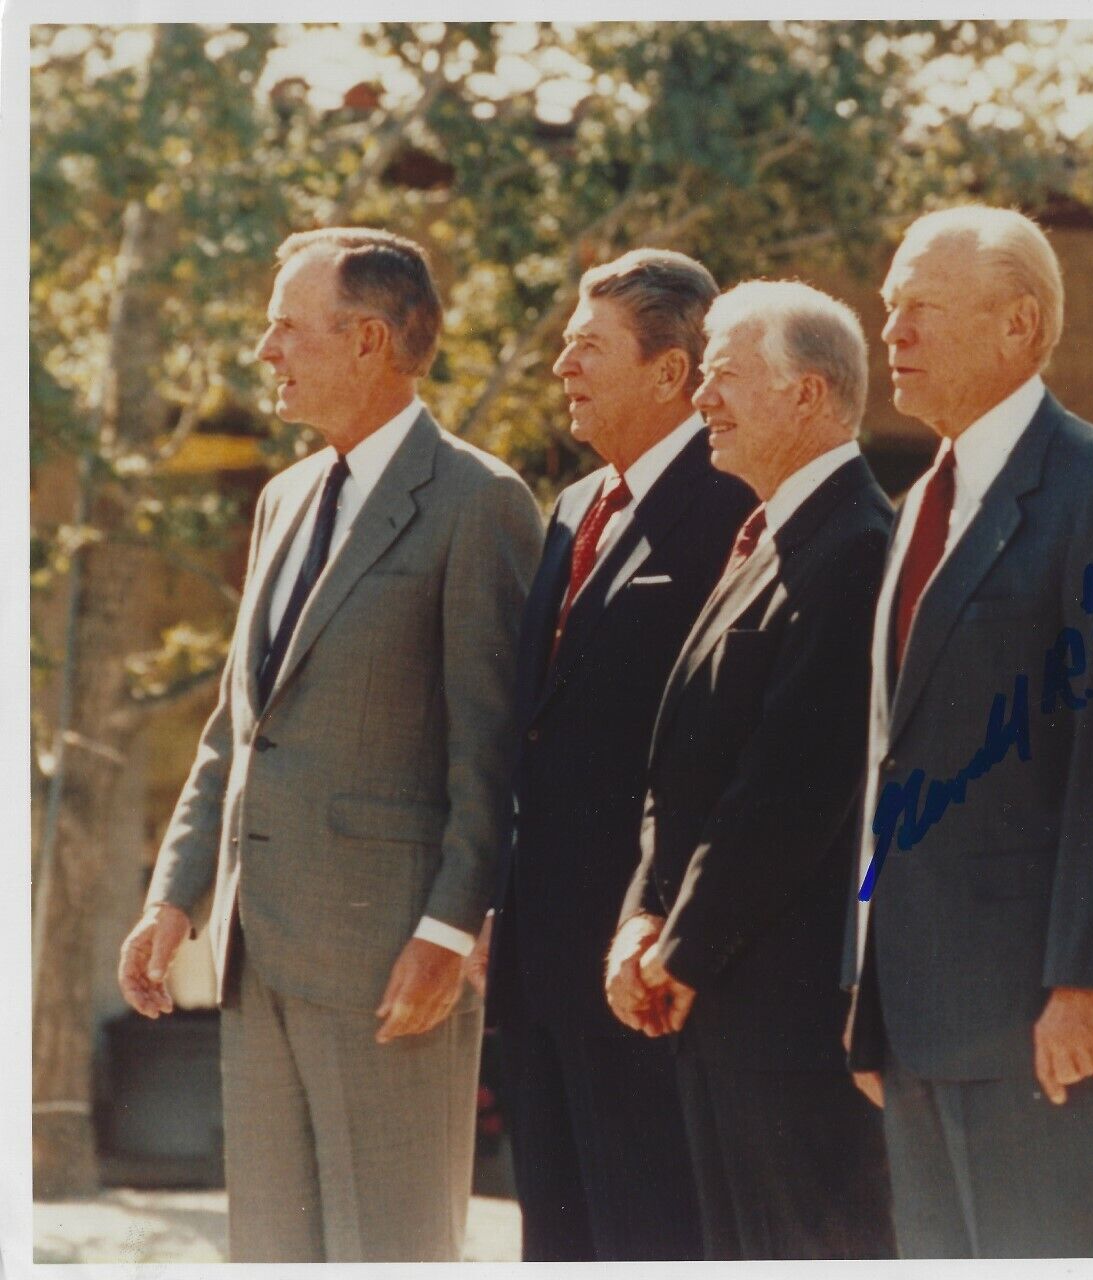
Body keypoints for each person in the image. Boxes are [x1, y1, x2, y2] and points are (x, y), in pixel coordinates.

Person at [115, 228, 543, 1263]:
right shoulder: (284, 497)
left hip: (390, 955)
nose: (266, 349)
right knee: (274, 1246)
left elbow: (497, 748)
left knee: (390, 1244)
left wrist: (448, 931)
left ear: (366, 340)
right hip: (259, 946)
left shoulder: (478, 502)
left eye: (286, 326)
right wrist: (173, 897)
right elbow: (237, 725)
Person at [843, 205, 1093, 1258]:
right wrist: (868, 993)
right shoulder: (914, 507)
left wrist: (1082, 984)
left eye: (920, 310)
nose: (890, 332)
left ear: (1018, 325)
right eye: (890, 307)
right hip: (915, 1004)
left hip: (1034, 1011)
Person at [606, 280, 896, 1260]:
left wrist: (678, 951)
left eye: (725, 373)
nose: (701, 399)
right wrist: (643, 913)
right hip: (720, 995)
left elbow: (788, 790)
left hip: (790, 1012)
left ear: (809, 394)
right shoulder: (763, 539)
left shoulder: (857, 547)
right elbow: (682, 762)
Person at [477, 248, 755, 1261]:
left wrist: (667, 927)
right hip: (542, 961)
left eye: (587, 346)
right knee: (554, 1234)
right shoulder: (571, 508)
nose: (563, 367)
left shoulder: (733, 508)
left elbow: (723, 744)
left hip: (649, 961)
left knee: (649, 1230)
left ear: (671, 371)